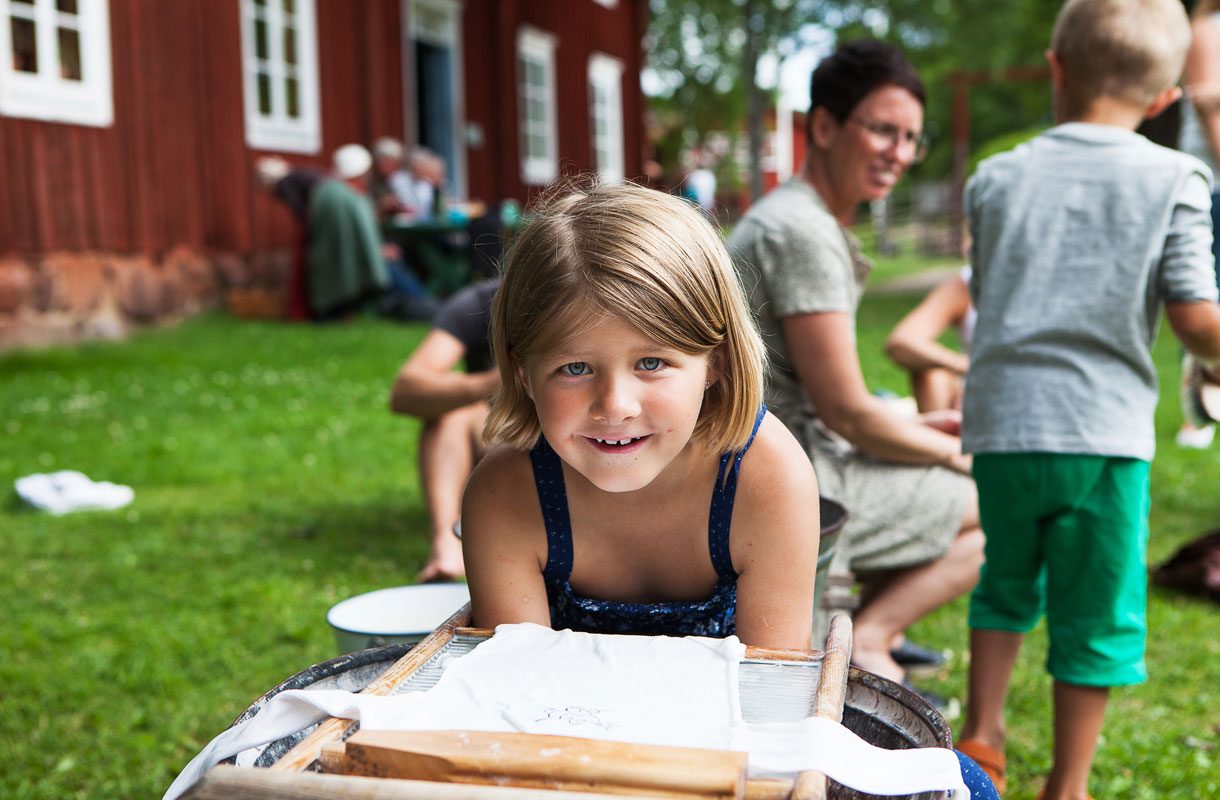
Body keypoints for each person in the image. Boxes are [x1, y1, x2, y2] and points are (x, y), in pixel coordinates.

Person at [956, 1, 1220, 797]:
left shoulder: (993, 177)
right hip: (1102, 437)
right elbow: (1194, 317)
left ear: (1055, 66)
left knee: (1005, 580)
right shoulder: (1177, 176)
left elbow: (994, 291)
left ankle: (984, 734)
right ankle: (1066, 787)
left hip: (1003, 428)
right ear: (1167, 97)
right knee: (1096, 617)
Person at [459, 180, 821, 650]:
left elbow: (773, 690)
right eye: (574, 368)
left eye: (651, 363)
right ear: (524, 373)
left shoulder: (766, 478)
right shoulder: (507, 492)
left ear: (718, 361)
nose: (615, 405)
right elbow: (517, 690)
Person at [726, 40, 983, 692]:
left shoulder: (792, 215)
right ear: (823, 126)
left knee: (928, 438)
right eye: (883, 130)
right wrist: (951, 454)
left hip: (776, 450)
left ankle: (869, 628)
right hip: (786, 476)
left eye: (911, 139)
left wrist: (922, 431)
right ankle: (868, 640)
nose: (898, 152)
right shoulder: (802, 232)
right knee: (1006, 506)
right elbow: (845, 412)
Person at [390, 278, 500, 582]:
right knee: (449, 409)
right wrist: (494, 382)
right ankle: (447, 544)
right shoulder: (481, 303)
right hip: (501, 437)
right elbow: (405, 389)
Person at [1176, 0, 1220, 448]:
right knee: (1205, 294)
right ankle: (1201, 411)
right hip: (1212, 184)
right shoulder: (1208, 28)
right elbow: (1209, 111)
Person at [885, 266, 975, 413]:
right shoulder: (965, 285)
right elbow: (902, 342)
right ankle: (941, 432)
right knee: (930, 369)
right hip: (975, 385)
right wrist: (971, 367)